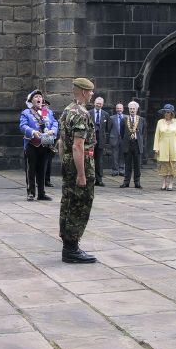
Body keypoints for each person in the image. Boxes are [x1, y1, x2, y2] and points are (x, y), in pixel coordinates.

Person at [57, 78, 97, 264]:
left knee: (68, 202)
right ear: (82, 91)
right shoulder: (81, 113)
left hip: (68, 161)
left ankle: (69, 246)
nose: (91, 95)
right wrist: (81, 174)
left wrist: (64, 163)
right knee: (80, 204)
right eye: (90, 92)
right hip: (81, 162)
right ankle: (71, 249)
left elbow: (61, 143)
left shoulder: (67, 111)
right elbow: (78, 146)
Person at [19, 89, 57, 201]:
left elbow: (54, 123)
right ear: (31, 100)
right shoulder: (27, 112)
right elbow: (23, 126)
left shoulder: (47, 112)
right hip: (32, 144)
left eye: (40, 97)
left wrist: (53, 131)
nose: (39, 98)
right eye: (36, 97)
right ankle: (31, 193)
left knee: (42, 169)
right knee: (31, 169)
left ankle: (41, 193)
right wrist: (32, 131)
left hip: (45, 143)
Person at [153, 103, 176, 191]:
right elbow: (157, 135)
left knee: (172, 165)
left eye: (169, 112)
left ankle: (170, 183)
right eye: (166, 112)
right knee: (163, 165)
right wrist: (156, 148)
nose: (167, 114)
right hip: (162, 146)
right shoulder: (160, 122)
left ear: (172, 113)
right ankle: (164, 182)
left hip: (174, 146)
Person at [120, 101, 145, 189]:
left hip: (137, 144)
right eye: (130, 109)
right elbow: (122, 132)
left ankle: (137, 182)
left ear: (137, 109)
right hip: (128, 144)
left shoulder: (141, 120)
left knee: (137, 164)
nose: (132, 110)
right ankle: (126, 182)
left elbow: (142, 133)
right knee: (127, 164)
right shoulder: (124, 119)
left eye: (134, 109)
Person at [89, 97, 110, 186]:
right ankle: (90, 179)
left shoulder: (106, 114)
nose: (99, 105)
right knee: (90, 160)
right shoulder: (89, 113)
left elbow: (108, 128)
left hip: (101, 141)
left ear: (102, 104)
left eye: (100, 104)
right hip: (90, 141)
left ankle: (99, 180)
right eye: (97, 103)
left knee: (99, 161)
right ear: (94, 103)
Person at [42, 99, 57, 187]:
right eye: (44, 106)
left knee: (49, 160)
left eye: (46, 106)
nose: (45, 107)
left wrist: (53, 130)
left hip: (49, 137)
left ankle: (47, 180)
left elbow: (55, 123)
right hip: (42, 137)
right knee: (43, 160)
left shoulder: (50, 113)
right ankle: (41, 179)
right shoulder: (41, 112)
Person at [109, 102, 126, 176]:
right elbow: (109, 128)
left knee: (122, 155)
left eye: (120, 108)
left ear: (123, 109)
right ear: (116, 109)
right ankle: (115, 170)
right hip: (114, 138)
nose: (119, 109)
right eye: (118, 108)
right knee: (114, 155)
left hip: (123, 139)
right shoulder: (111, 118)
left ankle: (122, 169)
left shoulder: (126, 117)